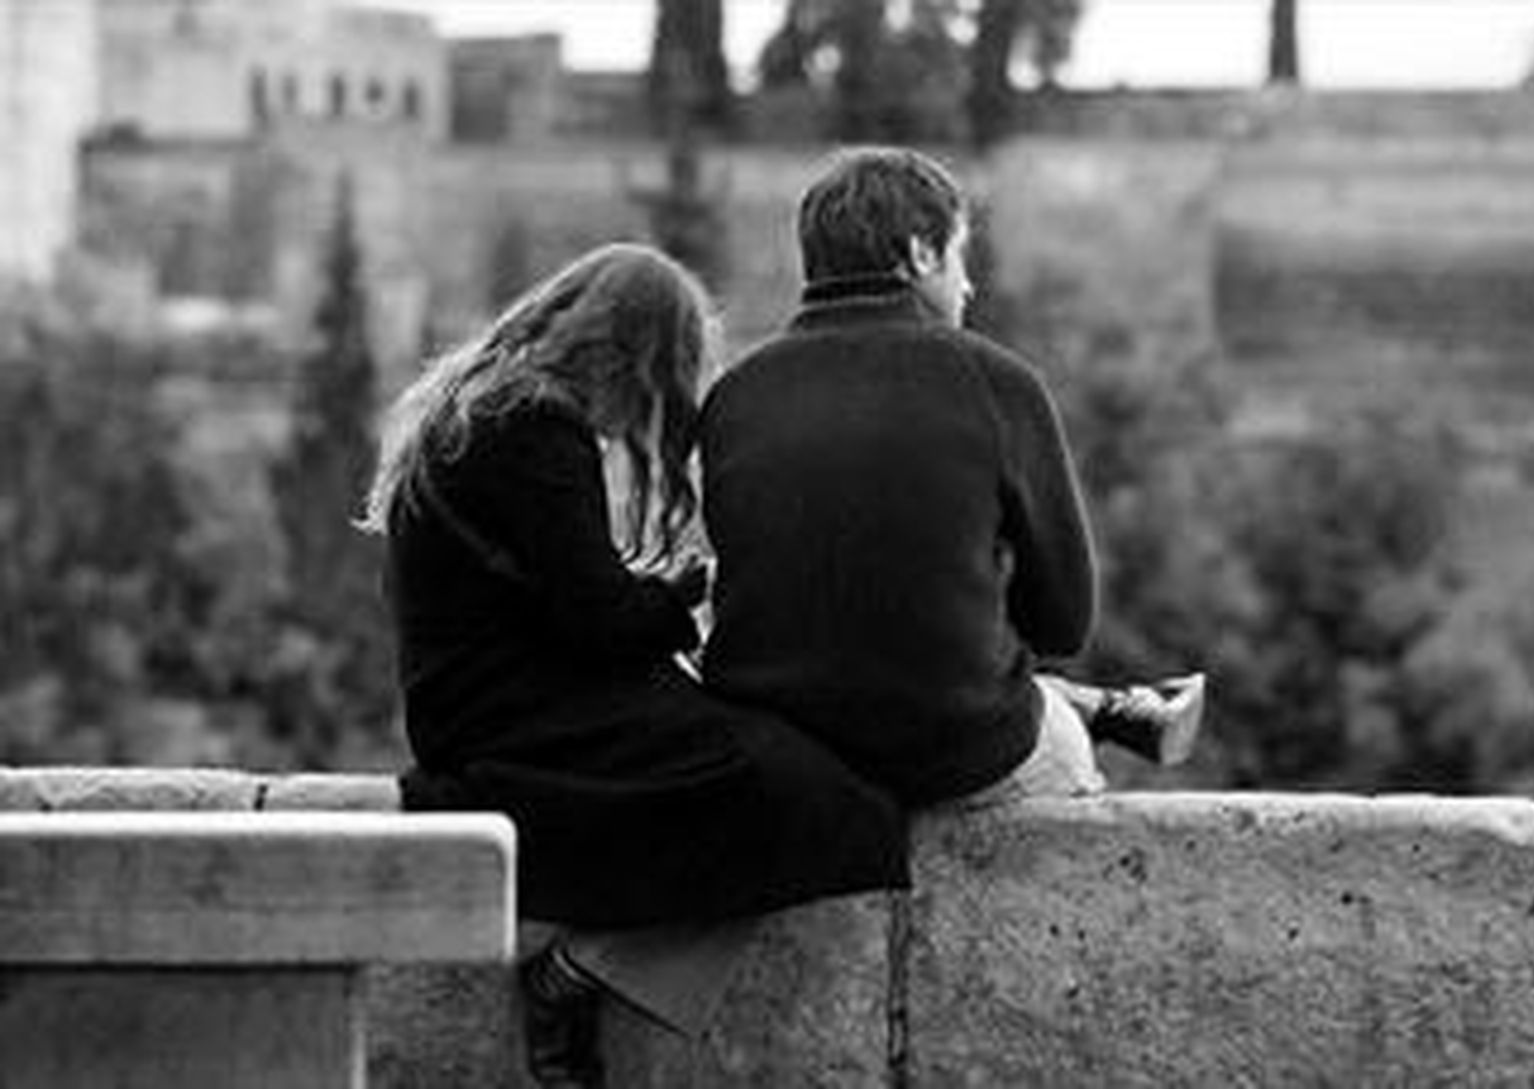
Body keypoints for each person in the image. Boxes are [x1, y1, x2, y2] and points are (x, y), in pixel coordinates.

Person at [361, 242, 907, 1088]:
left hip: (477, 700)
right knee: (816, 797)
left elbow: (556, 592)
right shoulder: (536, 429)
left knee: (779, 770)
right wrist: (688, 587)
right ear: (634, 359)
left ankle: (585, 966)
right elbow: (602, 621)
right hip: (514, 719)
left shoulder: (481, 407)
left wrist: (634, 594)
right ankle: (578, 971)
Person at [698, 146, 1205, 813]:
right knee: (1056, 751)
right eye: (960, 256)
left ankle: (1110, 710)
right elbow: (1062, 623)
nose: (968, 286)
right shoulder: (995, 381)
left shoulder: (736, 393)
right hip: (950, 752)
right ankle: (1104, 717)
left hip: (779, 748)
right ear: (920, 253)